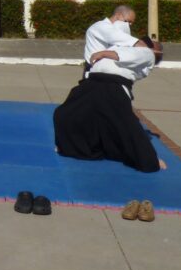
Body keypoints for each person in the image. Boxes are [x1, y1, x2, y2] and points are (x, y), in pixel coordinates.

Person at [53, 37, 166, 172]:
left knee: (124, 125)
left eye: (149, 42)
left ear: (154, 50)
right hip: (92, 82)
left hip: (113, 86)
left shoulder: (148, 54)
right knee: (65, 114)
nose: (141, 40)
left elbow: (129, 55)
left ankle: (150, 160)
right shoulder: (126, 46)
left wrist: (103, 53)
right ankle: (69, 146)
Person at [83, 5, 138, 74]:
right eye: (128, 21)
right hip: (94, 70)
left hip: (107, 71)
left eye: (132, 23)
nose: (130, 24)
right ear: (118, 15)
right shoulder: (101, 26)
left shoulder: (116, 29)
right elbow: (127, 41)